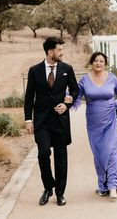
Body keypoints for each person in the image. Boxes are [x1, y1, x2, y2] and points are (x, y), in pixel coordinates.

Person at [24, 37, 79, 206]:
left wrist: (67, 104)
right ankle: (48, 187)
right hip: (41, 121)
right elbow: (29, 97)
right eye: (59, 50)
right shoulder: (34, 70)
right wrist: (28, 120)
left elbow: (75, 90)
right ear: (50, 52)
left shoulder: (66, 69)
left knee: (61, 157)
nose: (62, 53)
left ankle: (60, 193)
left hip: (60, 121)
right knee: (43, 153)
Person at [73, 51, 117, 200]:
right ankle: (103, 184)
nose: (98, 63)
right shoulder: (84, 80)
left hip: (111, 119)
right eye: (95, 61)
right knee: (99, 155)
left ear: (105, 63)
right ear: (91, 63)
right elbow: (76, 96)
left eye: (101, 61)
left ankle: (112, 185)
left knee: (112, 151)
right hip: (94, 122)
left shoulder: (112, 78)